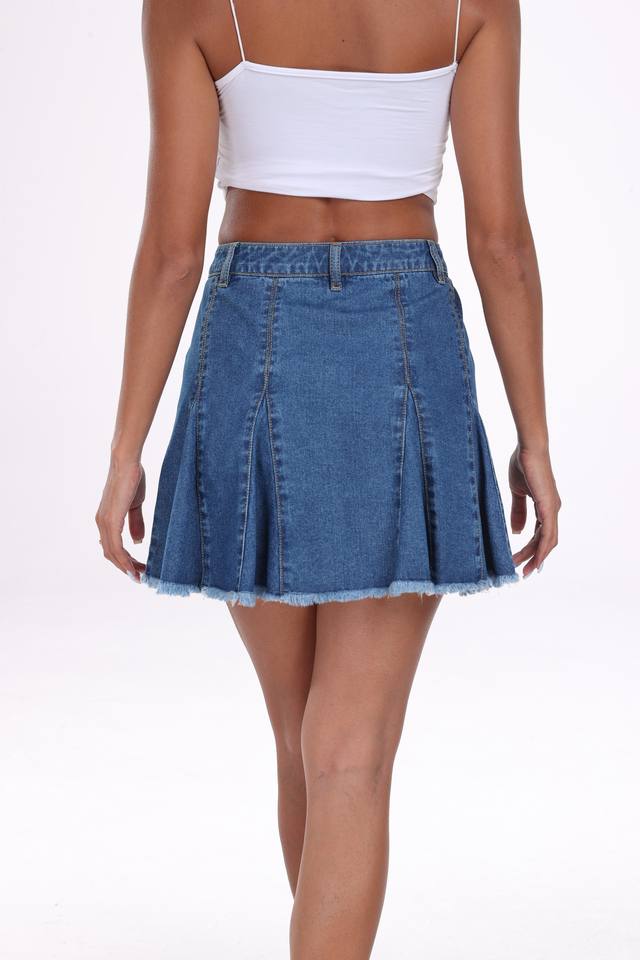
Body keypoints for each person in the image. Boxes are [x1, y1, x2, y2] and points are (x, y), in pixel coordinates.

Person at [96, 0, 561, 955]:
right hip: (406, 337)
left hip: (249, 338)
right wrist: (536, 440)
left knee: (302, 735)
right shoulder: (477, 4)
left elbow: (174, 252)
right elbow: (501, 242)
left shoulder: (189, 5)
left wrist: (125, 450)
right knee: (347, 753)